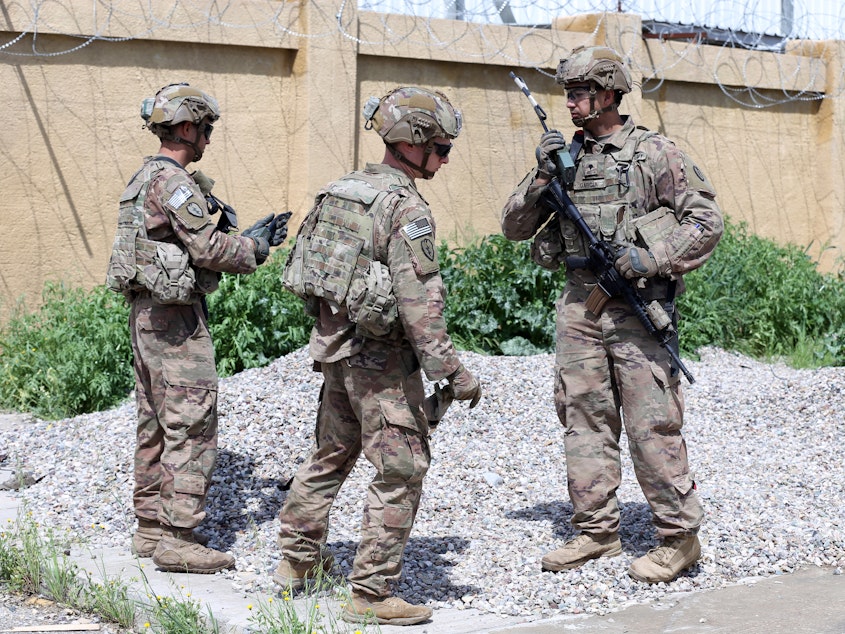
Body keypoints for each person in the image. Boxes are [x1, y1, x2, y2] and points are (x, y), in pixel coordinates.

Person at [501, 47, 723, 584]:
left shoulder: (653, 153)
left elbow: (706, 220)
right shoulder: (565, 158)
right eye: (568, 93)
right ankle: (596, 530)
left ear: (606, 94)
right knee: (583, 418)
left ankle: (678, 537)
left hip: (637, 304)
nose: (570, 103)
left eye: (579, 93)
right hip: (579, 302)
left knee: (651, 423)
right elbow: (513, 226)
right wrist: (541, 178)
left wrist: (652, 256)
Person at [276, 86, 482, 625]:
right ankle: (370, 594)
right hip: (381, 362)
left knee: (330, 455)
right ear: (412, 142)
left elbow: (306, 275)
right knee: (401, 467)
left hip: (336, 349)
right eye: (439, 148)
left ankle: (296, 564)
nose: (443, 158)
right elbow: (420, 308)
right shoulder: (405, 207)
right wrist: (455, 374)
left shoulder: (341, 191)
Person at [106, 82, 289, 573]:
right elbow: (208, 250)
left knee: (154, 421)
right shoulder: (174, 182)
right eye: (205, 128)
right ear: (186, 127)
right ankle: (179, 539)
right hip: (175, 324)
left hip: (147, 316)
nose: (208, 137)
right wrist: (254, 247)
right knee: (191, 423)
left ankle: (149, 529)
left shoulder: (142, 178)